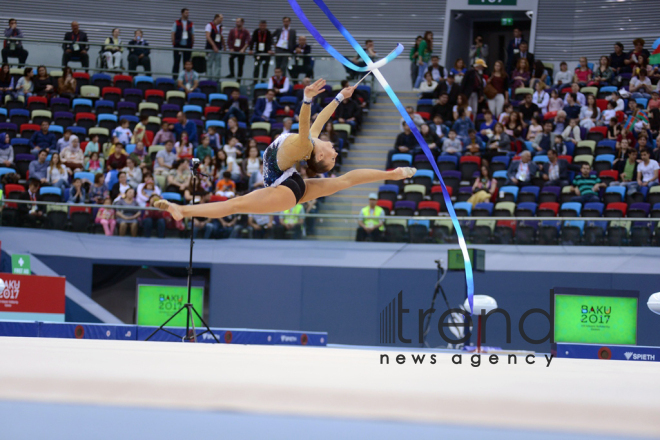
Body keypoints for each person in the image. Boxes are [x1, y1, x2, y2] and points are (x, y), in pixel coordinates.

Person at [155, 79, 416, 221]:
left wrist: (306, 98)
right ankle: (393, 174)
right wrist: (340, 97)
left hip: (285, 189)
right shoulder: (310, 145)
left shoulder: (305, 144)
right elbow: (321, 119)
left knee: (234, 206)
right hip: (291, 184)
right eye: (335, 152)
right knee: (343, 181)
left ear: (320, 156)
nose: (335, 149)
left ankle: (183, 211)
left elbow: (306, 123)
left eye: (333, 154)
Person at [171, 8, 194, 77]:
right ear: (182, 13)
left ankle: (185, 78)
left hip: (187, 45)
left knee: (186, 63)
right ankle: (175, 77)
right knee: (176, 62)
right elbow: (173, 33)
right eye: (186, 13)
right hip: (178, 45)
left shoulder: (190, 23)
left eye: (188, 13)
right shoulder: (177, 22)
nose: (187, 14)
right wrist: (174, 43)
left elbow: (192, 34)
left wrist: (192, 43)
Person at [205, 14, 225, 82]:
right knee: (209, 65)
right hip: (210, 48)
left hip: (218, 48)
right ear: (216, 18)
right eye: (221, 18)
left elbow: (221, 36)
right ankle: (209, 80)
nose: (222, 20)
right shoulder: (209, 25)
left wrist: (224, 46)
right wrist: (214, 46)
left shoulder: (220, 27)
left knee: (218, 65)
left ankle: (216, 80)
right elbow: (208, 36)